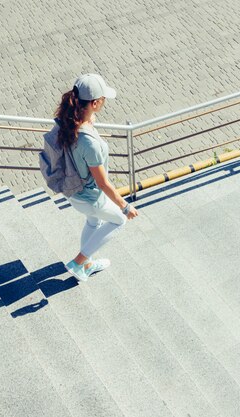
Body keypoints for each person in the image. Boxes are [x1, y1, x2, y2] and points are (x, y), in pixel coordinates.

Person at [55, 74, 138, 282]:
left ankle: (87, 264)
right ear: (94, 103)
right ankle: (79, 261)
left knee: (93, 222)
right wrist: (124, 206)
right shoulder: (88, 143)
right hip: (90, 197)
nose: (104, 102)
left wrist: (89, 121)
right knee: (118, 221)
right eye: (103, 99)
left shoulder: (67, 122)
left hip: (74, 191)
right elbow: (102, 183)